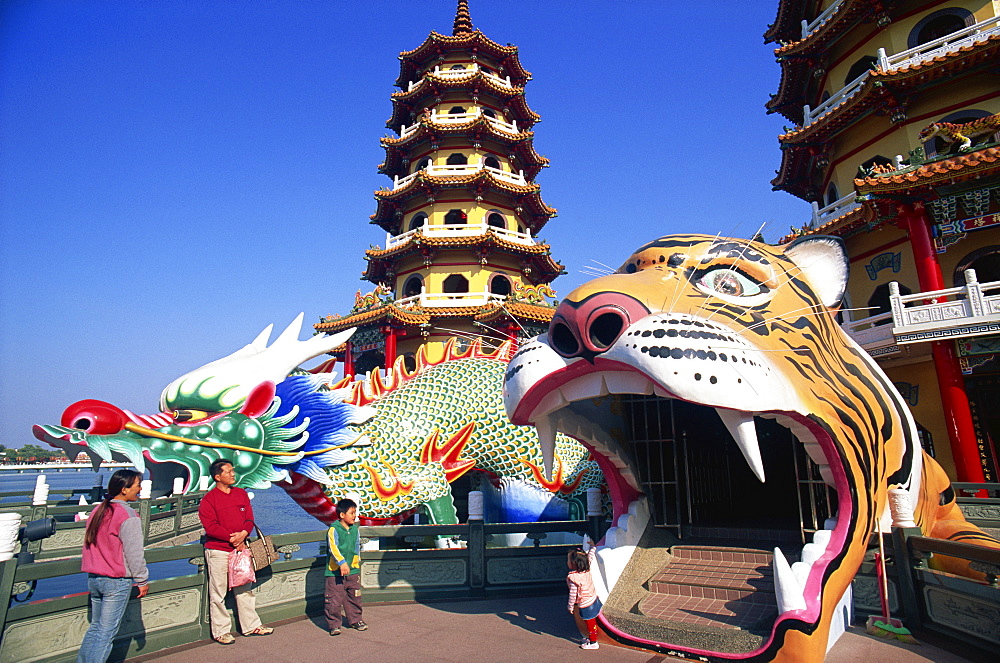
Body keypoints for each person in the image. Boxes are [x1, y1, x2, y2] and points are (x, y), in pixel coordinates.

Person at [198, 458, 274, 645]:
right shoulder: (209, 499)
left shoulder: (240, 494)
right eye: (228, 471)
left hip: (241, 550)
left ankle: (251, 626)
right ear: (217, 476)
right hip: (218, 551)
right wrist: (232, 539)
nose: (233, 474)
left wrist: (243, 534)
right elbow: (211, 526)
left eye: (233, 471)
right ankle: (221, 631)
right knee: (218, 592)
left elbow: (249, 518)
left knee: (244, 589)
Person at [78, 468, 148, 663]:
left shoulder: (98, 511)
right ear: (124, 489)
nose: (140, 489)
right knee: (105, 633)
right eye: (137, 485)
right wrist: (142, 579)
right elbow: (134, 553)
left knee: (95, 628)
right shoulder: (128, 515)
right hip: (116, 581)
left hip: (94, 578)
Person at [324, 497, 366, 635]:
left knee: (354, 596)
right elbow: (333, 548)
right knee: (334, 599)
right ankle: (334, 624)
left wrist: (356, 562)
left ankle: (356, 620)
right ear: (342, 515)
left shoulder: (355, 530)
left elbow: (356, 546)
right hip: (335, 572)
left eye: (355, 513)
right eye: (352, 513)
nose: (355, 516)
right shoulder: (334, 529)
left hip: (352, 570)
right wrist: (341, 563)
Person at [567, 536, 602, 650]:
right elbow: (590, 556)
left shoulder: (574, 578)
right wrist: (593, 546)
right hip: (594, 599)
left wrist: (570, 606)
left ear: (573, 564)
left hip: (586, 604)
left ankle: (593, 643)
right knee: (592, 623)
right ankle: (591, 638)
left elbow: (573, 594)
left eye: (568, 560)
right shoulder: (587, 569)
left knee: (590, 624)